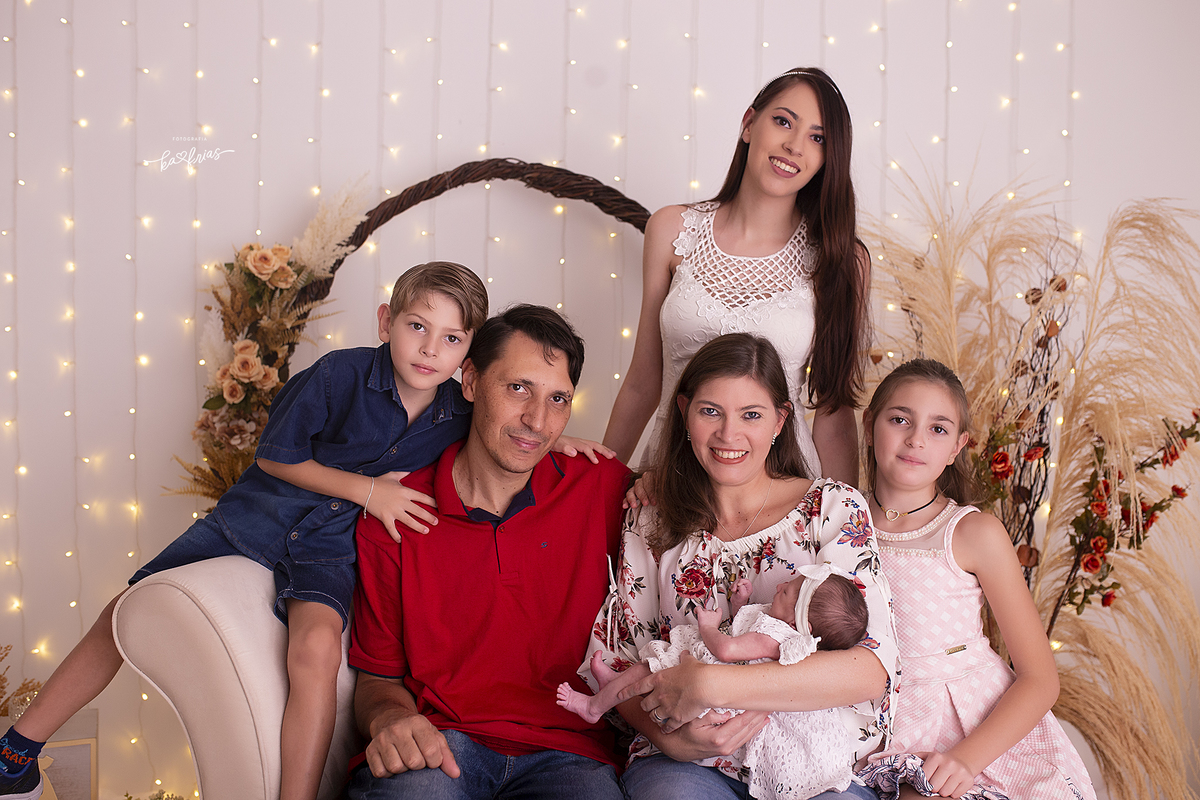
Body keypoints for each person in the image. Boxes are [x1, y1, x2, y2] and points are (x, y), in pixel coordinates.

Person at [0, 261, 491, 800]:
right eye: (417, 326)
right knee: (122, 610)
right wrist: (370, 491)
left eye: (451, 338)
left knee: (317, 650)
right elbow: (277, 457)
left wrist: (551, 437)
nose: (429, 349)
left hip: (330, 550)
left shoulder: (459, 413)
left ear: (468, 357)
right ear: (385, 322)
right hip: (259, 515)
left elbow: (515, 431)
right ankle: (15, 754)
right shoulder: (337, 375)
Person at [586, 333, 898, 800]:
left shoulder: (833, 509)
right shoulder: (649, 517)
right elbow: (622, 657)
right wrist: (670, 741)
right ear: (684, 411)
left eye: (751, 414)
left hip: (810, 762)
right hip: (686, 758)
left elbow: (868, 669)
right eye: (710, 411)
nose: (728, 435)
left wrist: (711, 682)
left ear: (780, 420)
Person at [347, 304, 631, 800]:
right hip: (442, 744)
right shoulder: (395, 513)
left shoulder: (603, 487)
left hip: (570, 755)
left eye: (557, 399)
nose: (537, 421)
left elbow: (709, 509)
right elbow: (377, 681)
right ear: (472, 382)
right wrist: (391, 718)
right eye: (518, 388)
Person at [603, 67, 869, 485]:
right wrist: (596, 491)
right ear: (749, 124)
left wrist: (844, 516)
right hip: (672, 479)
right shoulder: (671, 229)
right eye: (783, 121)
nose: (795, 146)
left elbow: (834, 413)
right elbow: (642, 382)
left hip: (783, 487)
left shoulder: (840, 258)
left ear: (827, 159)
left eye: (818, 139)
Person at [855, 359, 1097, 800]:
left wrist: (967, 758)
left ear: (957, 447)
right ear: (870, 425)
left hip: (976, 737)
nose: (915, 439)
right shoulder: (840, 520)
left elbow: (1041, 679)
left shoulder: (972, 533)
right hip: (875, 724)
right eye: (900, 420)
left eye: (938, 429)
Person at [560, 565, 868, 799]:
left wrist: (707, 626)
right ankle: (613, 687)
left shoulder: (775, 637)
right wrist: (741, 604)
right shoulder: (781, 629)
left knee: (648, 671)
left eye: (787, 591)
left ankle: (594, 706)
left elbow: (728, 649)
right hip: (714, 682)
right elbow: (743, 633)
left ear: (797, 622)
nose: (780, 585)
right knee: (646, 672)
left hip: (715, 688)